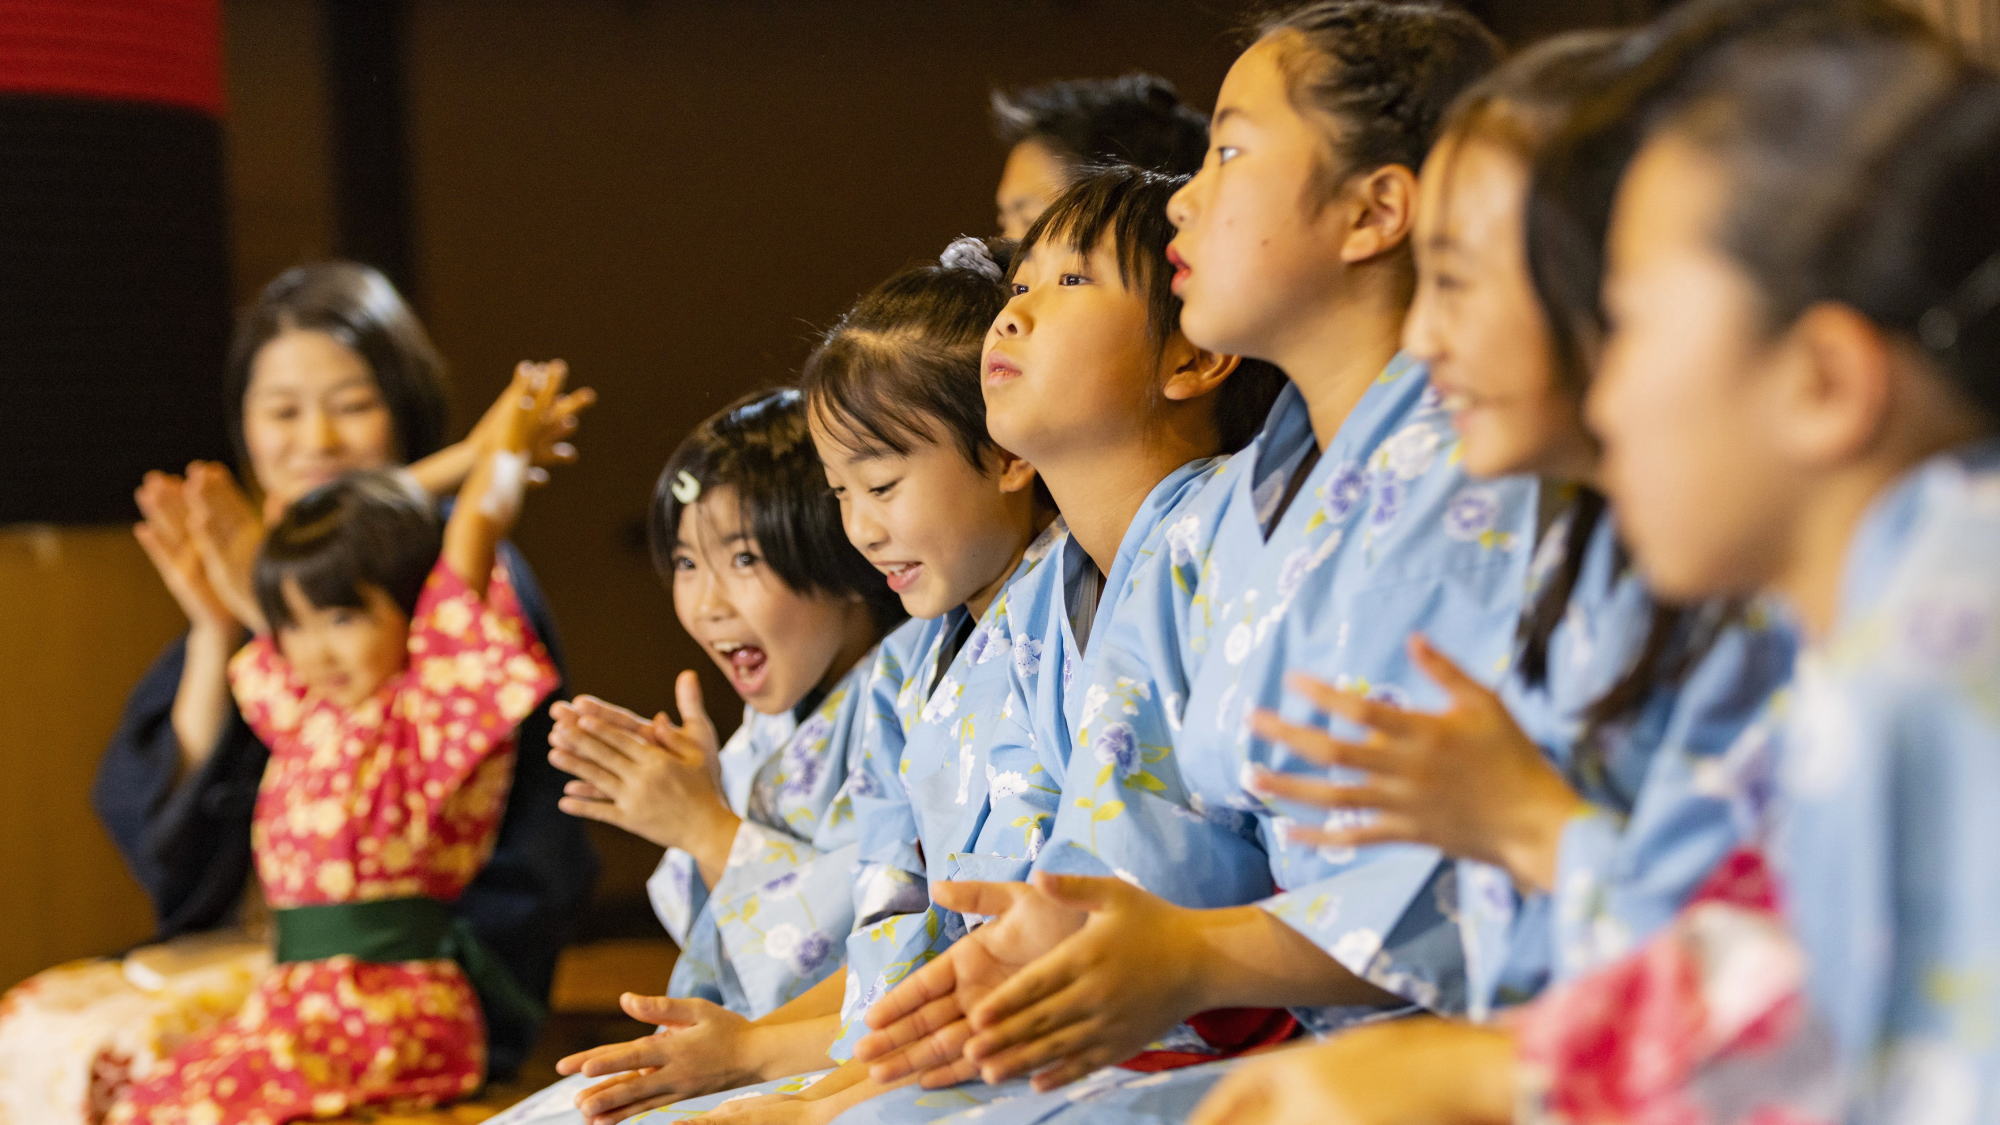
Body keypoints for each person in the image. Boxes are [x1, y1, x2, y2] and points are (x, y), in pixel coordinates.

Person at [107, 362, 573, 1123]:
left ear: (414, 613)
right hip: (302, 1003)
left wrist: (500, 452)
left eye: (345, 617)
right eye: (295, 624)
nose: (316, 648)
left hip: (390, 1007)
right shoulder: (309, 711)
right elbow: (277, 604)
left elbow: (472, 529)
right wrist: (221, 599)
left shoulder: (429, 713)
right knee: (146, 1099)